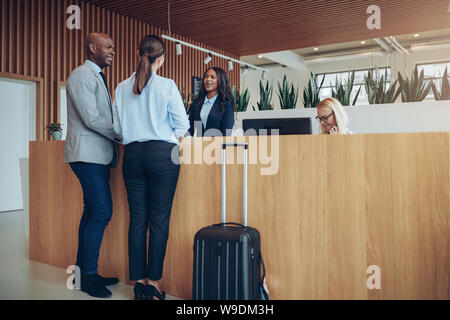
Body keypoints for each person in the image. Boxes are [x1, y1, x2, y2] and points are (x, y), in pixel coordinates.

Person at [112, 35, 189, 300]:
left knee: (137, 220)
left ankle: (139, 283)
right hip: (163, 156)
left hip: (132, 156)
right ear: (162, 59)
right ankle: (153, 283)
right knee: (159, 220)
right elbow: (182, 127)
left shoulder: (121, 87)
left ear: (138, 53)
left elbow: (118, 130)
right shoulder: (167, 85)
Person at [63, 33, 122, 298]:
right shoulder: (81, 75)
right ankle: (87, 277)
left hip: (96, 156)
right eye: (107, 47)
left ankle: (83, 274)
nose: (112, 51)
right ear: (91, 47)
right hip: (87, 156)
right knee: (101, 213)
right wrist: (122, 134)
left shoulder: (96, 76)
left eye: (113, 48)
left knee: (91, 214)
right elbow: (91, 118)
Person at [188, 67, 235, 136]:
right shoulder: (196, 103)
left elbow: (226, 133)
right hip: (199, 145)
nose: (208, 79)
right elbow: (190, 129)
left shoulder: (226, 104)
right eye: (206, 77)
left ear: (220, 80)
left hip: (217, 145)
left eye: (212, 77)